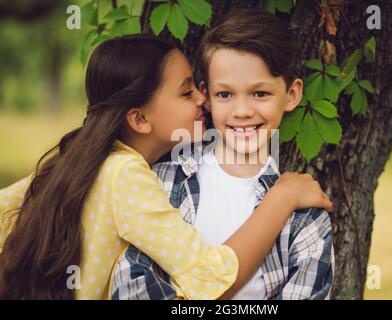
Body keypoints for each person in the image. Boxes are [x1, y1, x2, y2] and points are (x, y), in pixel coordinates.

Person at [0, 34, 332, 300]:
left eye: (259, 93)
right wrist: (282, 198)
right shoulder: (129, 177)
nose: (203, 100)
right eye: (187, 92)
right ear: (141, 119)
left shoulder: (79, 162)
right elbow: (209, 279)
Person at [112, 9, 334, 300]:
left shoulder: (305, 218)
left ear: (291, 95)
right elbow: (132, 290)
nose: (242, 112)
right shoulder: (161, 183)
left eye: (260, 94)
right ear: (205, 94)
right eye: (225, 95)